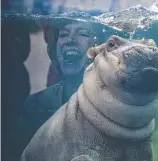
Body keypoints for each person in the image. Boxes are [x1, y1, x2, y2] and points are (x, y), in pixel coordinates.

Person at [11, 12, 102, 161]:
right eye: (64, 34)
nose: (70, 40)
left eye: (83, 34)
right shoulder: (34, 106)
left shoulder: (118, 108)